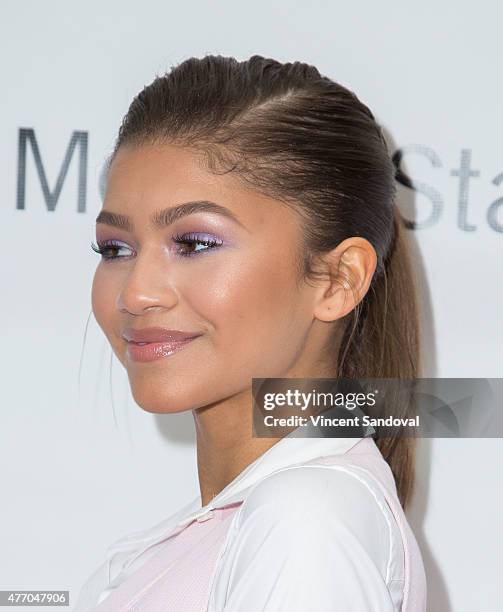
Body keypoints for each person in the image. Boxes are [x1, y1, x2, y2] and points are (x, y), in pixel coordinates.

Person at [74, 54, 427, 611]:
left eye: (194, 244)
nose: (136, 292)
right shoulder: (256, 519)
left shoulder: (305, 516)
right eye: (115, 248)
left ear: (338, 279)